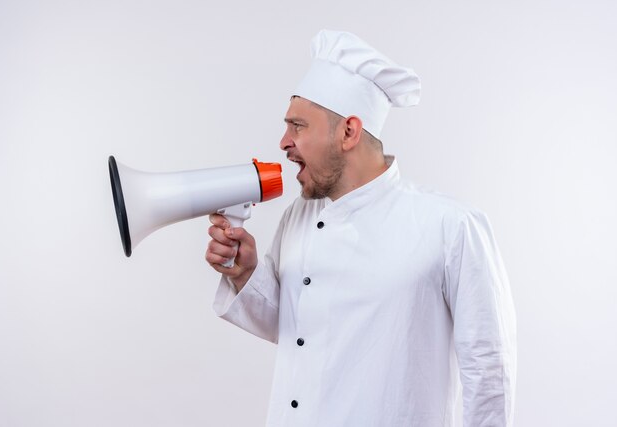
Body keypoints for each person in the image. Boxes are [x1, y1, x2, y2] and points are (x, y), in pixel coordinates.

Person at [205, 30, 516, 427]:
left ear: (349, 131)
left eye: (297, 126)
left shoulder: (450, 226)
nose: (283, 142)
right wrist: (246, 272)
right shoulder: (298, 216)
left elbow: (488, 368)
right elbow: (298, 330)